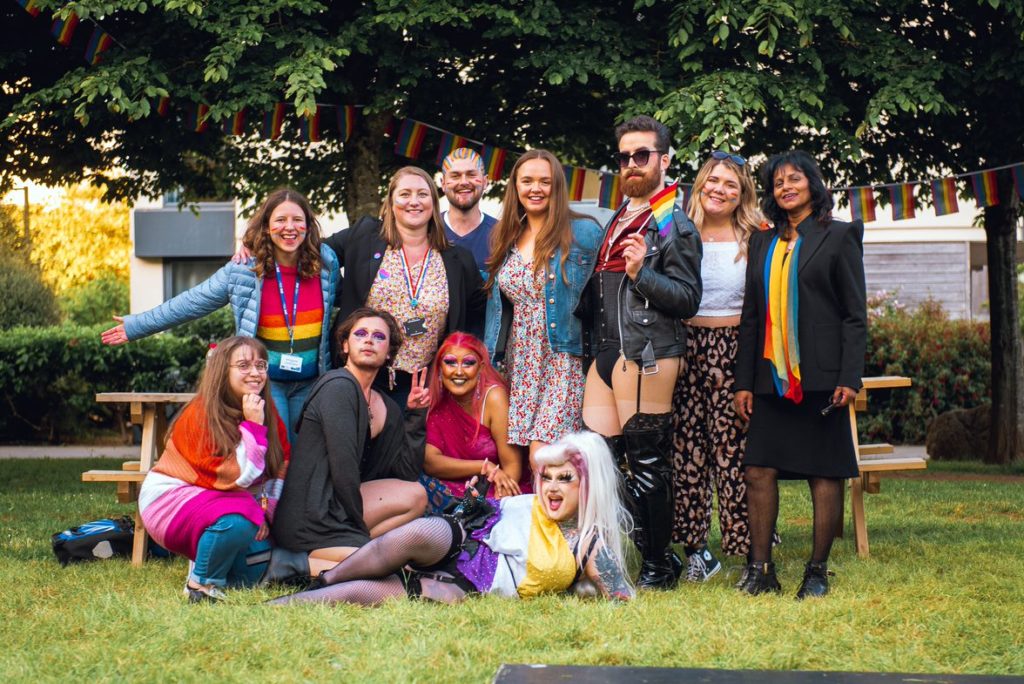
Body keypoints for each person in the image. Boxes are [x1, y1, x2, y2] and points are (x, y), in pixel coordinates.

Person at [267, 431, 635, 605]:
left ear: (587, 486)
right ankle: (323, 578)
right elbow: (482, 518)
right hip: (461, 537)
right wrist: (472, 502)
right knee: (417, 533)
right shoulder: (528, 504)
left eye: (565, 479)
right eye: (547, 478)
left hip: (471, 584)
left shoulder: (587, 541)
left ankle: (280, 607)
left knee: (380, 594)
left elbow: (620, 597)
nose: (552, 488)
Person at [102, 188, 340, 444]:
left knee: (307, 456)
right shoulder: (244, 270)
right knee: (277, 451)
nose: (289, 227)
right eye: (280, 220)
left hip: (312, 382)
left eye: (297, 220)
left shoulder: (325, 264)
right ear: (266, 226)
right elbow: (192, 301)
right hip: (266, 382)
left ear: (308, 225)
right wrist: (137, 325)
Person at [734, 150, 867, 599]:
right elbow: (752, 317)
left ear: (813, 183)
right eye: (777, 182)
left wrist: (850, 375)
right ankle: (761, 569)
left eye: (794, 179)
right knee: (757, 470)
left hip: (823, 379)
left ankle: (816, 571)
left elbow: (854, 314)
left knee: (824, 473)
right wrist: (743, 383)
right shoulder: (762, 242)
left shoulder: (841, 235)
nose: (785, 187)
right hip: (771, 378)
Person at [577, 115, 703, 589]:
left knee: (647, 459)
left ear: (664, 160)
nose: (632, 164)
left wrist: (640, 274)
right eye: (625, 156)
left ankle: (656, 565)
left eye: (642, 155)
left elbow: (688, 298)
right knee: (598, 458)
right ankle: (650, 551)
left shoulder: (672, 221)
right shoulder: (618, 216)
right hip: (608, 350)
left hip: (648, 350)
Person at [271, 308, 429, 577]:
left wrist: (414, 416)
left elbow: (405, 474)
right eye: (360, 334)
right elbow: (343, 469)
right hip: (311, 514)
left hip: (342, 507)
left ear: (389, 352)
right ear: (345, 345)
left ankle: (344, 553)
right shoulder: (338, 386)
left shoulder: (386, 407)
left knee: (416, 495)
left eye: (379, 336)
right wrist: (359, 535)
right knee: (392, 568)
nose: (369, 340)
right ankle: (305, 559)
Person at [670, 151, 768, 582]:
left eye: (731, 184)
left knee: (735, 452)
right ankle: (696, 552)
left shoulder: (756, 235)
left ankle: (751, 551)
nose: (720, 190)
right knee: (686, 450)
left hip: (735, 351)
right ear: (700, 183)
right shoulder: (677, 230)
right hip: (683, 346)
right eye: (713, 181)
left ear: (742, 192)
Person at [323, 167, 486, 419]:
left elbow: (479, 310)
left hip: (425, 386)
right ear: (390, 201)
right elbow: (316, 252)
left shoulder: (457, 259)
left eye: (422, 194)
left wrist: (461, 357)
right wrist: (253, 243)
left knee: (414, 455)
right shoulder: (365, 236)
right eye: (405, 194)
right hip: (365, 376)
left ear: (434, 201)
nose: (413, 202)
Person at [137, 336, 288, 602]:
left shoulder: (264, 408)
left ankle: (207, 561)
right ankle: (200, 585)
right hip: (169, 499)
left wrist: (266, 511)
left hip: (223, 500)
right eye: (243, 365)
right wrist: (253, 426)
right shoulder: (201, 414)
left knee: (254, 567)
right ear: (222, 370)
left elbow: (280, 465)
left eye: (261, 364)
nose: (255, 372)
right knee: (239, 520)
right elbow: (241, 476)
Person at [484, 149, 602, 461]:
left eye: (544, 181)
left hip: (564, 357)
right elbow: (498, 310)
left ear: (557, 187)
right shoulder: (505, 236)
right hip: (519, 361)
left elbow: (604, 296)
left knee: (544, 452)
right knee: (523, 458)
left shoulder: (584, 232)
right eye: (527, 181)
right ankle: (548, 512)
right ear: (516, 187)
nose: (535, 188)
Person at [421, 332, 529, 514]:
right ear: (440, 368)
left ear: (481, 368)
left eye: (468, 363)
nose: (459, 371)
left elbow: (512, 467)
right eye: (450, 362)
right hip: (451, 487)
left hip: (494, 489)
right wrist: (484, 466)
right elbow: (431, 462)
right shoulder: (437, 398)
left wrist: (487, 502)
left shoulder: (494, 397)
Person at [439, 147, 498, 278]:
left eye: (471, 174)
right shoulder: (427, 230)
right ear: (443, 184)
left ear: (485, 182)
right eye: (455, 176)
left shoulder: (503, 234)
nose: (464, 182)